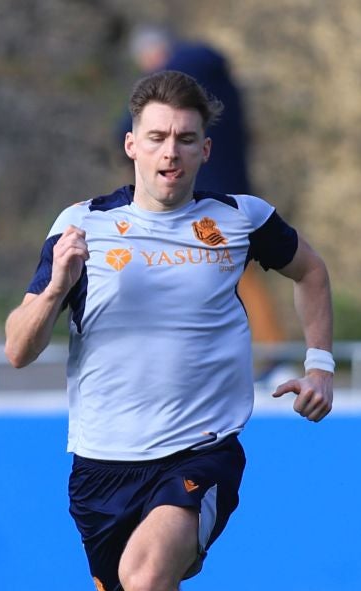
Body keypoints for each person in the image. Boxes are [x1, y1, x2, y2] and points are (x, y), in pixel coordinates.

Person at [5, 70, 335, 591]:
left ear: (204, 149)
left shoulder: (241, 222)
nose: (169, 153)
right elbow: (18, 350)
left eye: (186, 140)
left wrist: (320, 362)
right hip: (99, 470)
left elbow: (311, 271)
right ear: (131, 145)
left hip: (200, 451)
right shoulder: (83, 227)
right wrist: (55, 287)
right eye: (156, 138)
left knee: (149, 581)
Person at [119, 26, 289, 359]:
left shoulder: (183, 73)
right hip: (226, 189)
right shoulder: (216, 84)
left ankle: (272, 354)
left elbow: (123, 126)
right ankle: (259, 352)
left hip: (207, 195)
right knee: (222, 269)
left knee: (232, 266)